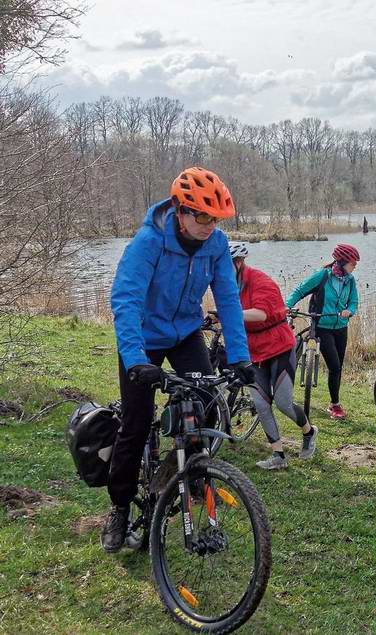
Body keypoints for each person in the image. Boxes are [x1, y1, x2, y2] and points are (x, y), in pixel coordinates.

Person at [103, 167, 254, 553]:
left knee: (206, 405)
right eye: (201, 216)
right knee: (135, 425)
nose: (209, 225)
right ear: (179, 209)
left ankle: (187, 474)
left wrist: (239, 356)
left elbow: (228, 300)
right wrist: (136, 359)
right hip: (145, 337)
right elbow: (126, 299)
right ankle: (119, 508)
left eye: (215, 218)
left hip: (185, 333)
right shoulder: (148, 243)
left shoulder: (216, 245)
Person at [228, 242, 318, 470]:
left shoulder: (261, 281)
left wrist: (228, 313)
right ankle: (279, 456)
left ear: (238, 263)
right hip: (254, 351)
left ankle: (309, 431)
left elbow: (260, 314)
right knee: (260, 403)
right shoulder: (228, 285)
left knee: (283, 403)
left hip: (279, 347)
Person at [285, 244, 360, 420]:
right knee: (334, 364)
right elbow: (300, 290)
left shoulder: (350, 280)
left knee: (338, 367)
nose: (355, 265)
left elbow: (354, 301)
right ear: (341, 262)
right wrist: (287, 305)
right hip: (322, 326)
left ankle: (334, 402)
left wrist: (350, 310)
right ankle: (335, 406)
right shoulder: (323, 276)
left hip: (341, 327)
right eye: (352, 262)